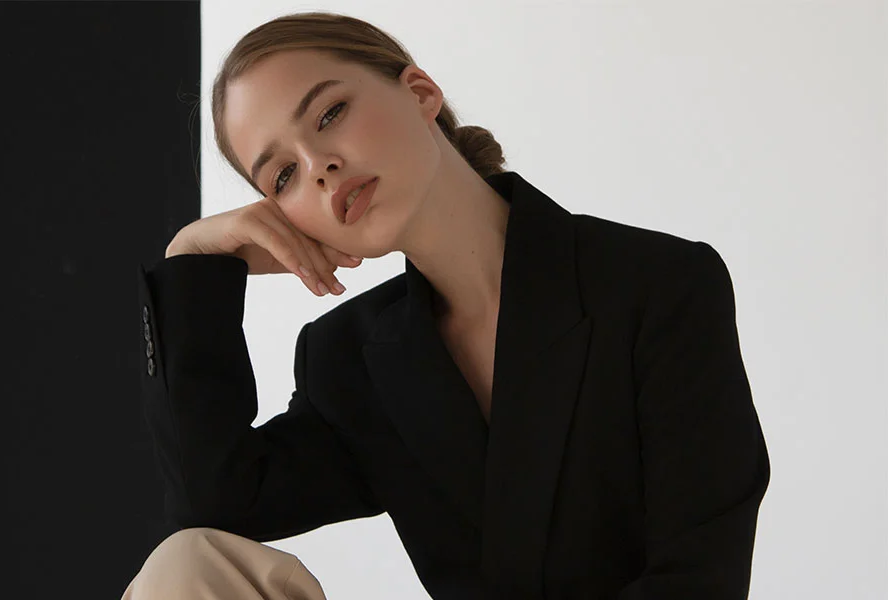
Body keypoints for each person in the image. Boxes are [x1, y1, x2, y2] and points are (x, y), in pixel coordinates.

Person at [123, 10, 771, 600]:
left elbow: (700, 578)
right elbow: (217, 505)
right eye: (283, 176)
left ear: (420, 93)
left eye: (328, 114)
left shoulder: (656, 285)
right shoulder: (350, 359)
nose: (318, 165)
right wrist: (192, 259)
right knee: (186, 568)